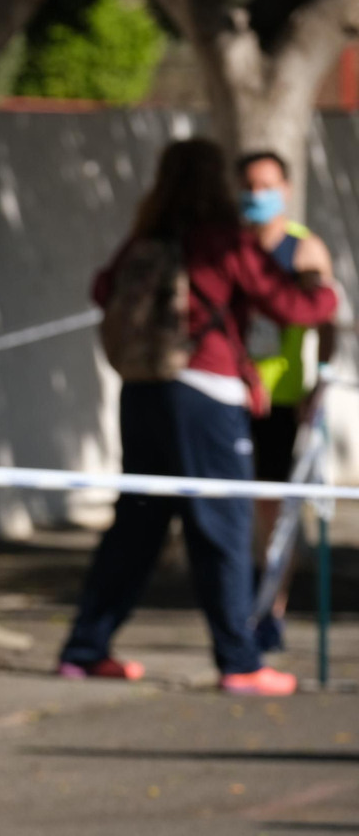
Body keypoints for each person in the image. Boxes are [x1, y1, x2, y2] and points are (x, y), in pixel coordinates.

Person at [60, 139, 336, 697]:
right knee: (225, 528)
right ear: (219, 184)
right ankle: (240, 663)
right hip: (206, 398)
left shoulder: (147, 238)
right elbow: (292, 307)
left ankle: (84, 651)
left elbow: (102, 288)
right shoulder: (222, 241)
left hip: (141, 392)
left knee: (137, 526)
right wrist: (323, 289)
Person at [238, 150, 337, 654]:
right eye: (249, 186)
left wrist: (319, 384)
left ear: (285, 188)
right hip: (233, 395)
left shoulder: (304, 250)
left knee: (274, 509)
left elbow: (329, 322)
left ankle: (270, 611)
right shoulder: (231, 248)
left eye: (267, 185)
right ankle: (241, 606)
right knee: (237, 505)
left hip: (282, 400)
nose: (257, 196)